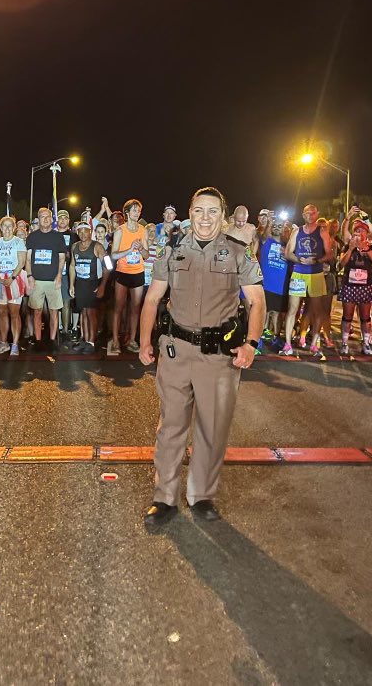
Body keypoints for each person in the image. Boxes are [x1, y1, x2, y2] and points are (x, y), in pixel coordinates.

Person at [139, 186, 265, 526]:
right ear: (189, 214)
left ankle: (201, 496)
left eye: (212, 212)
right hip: (176, 352)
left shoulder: (240, 253)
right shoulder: (172, 251)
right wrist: (144, 342)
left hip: (218, 357)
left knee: (213, 429)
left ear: (222, 217)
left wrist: (251, 343)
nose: (205, 218)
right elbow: (152, 299)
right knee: (170, 428)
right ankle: (164, 498)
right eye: (198, 211)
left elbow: (256, 301)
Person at [280, 204, 334, 360]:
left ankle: (315, 344)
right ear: (303, 215)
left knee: (318, 311)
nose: (310, 216)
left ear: (317, 214)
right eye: (307, 214)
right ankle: (288, 345)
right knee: (292, 309)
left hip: (316, 274)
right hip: (298, 273)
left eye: (313, 213)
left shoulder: (322, 232)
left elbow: (329, 254)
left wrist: (316, 260)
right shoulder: (297, 231)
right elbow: (288, 253)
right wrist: (299, 259)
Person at [109, 199, 149, 355]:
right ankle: (116, 340)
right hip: (123, 272)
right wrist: (129, 250)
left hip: (138, 272)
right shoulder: (120, 230)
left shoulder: (143, 230)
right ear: (127, 212)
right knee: (119, 307)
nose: (137, 213)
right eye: (134, 210)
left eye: (139, 211)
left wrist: (140, 249)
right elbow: (113, 254)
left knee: (135, 308)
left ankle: (132, 340)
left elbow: (146, 255)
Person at [25, 207, 67, 349]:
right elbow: (28, 258)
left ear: (51, 218)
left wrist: (59, 276)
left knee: (54, 311)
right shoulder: (32, 236)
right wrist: (29, 276)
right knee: (36, 311)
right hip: (36, 280)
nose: (45, 219)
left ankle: (52, 340)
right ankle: (37, 340)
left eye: (48, 216)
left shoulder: (58, 237)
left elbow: (62, 258)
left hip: (53, 280)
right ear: (38, 219)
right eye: (42, 217)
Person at [338, 219, 372, 355]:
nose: (358, 233)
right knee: (347, 316)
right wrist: (351, 248)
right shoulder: (347, 245)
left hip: (365, 286)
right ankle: (344, 343)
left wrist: (366, 249)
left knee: (365, 316)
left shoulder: (370, 246)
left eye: (361, 231)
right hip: (349, 285)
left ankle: (366, 343)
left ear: (366, 234)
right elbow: (342, 263)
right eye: (356, 230)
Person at [68, 222, 109, 353]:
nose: (83, 234)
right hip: (80, 283)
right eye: (80, 231)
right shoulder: (75, 246)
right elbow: (72, 266)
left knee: (91, 313)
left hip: (93, 283)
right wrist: (71, 285)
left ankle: (91, 341)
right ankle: (84, 339)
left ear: (90, 232)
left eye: (86, 231)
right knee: (83, 312)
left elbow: (108, 266)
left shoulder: (97, 246)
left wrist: (102, 285)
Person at [0, 217, 27, 355]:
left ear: (13, 228)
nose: (7, 229)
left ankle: (15, 344)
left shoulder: (18, 242)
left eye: (9, 226)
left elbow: (21, 262)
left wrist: (12, 277)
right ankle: (3, 342)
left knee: (14, 313)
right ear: (0, 228)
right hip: (0, 278)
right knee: (1, 312)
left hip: (14, 279)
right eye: (4, 226)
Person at [257, 215, 290, 346]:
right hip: (266, 285)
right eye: (275, 226)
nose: (277, 228)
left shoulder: (287, 245)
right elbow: (264, 233)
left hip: (280, 285)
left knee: (277, 313)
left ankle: (276, 337)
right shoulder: (267, 241)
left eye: (279, 226)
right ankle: (258, 339)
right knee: (264, 312)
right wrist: (270, 222)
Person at [56, 209, 79, 338]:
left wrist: (69, 255)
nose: (63, 220)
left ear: (68, 220)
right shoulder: (52, 234)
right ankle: (54, 330)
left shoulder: (73, 236)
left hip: (67, 273)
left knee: (66, 302)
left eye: (65, 218)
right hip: (53, 273)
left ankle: (65, 331)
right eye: (60, 218)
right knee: (53, 304)